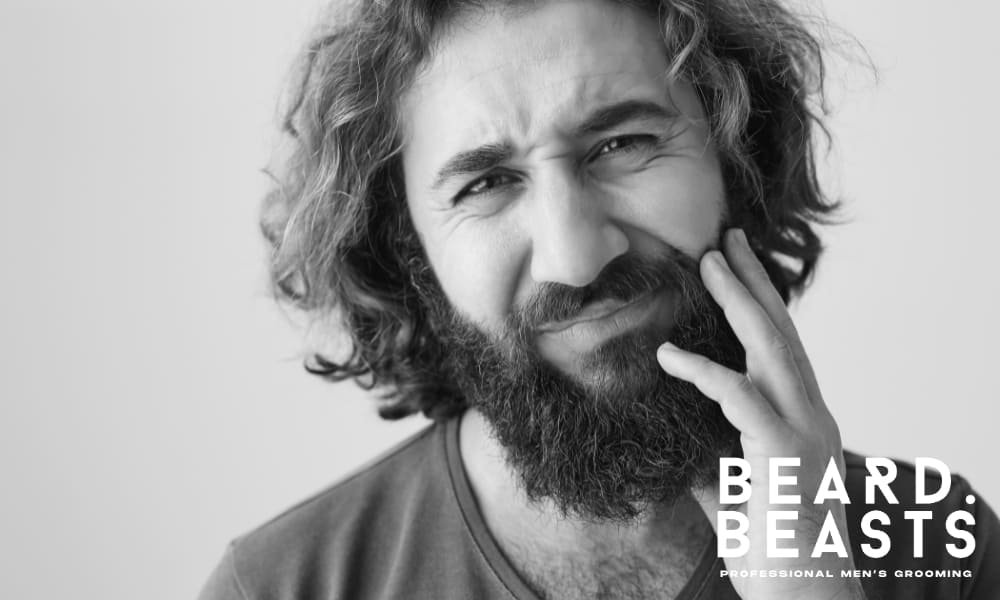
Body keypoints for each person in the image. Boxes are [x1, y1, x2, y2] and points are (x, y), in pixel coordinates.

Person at [200, 0, 999, 598]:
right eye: (487, 183)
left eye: (623, 144)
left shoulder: (936, 550)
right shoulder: (282, 586)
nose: (577, 257)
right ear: (407, 251)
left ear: (737, 156)